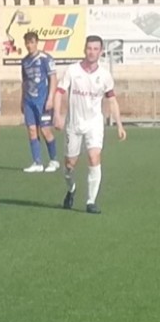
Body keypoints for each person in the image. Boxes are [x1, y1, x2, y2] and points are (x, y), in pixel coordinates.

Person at [53, 34, 126, 214]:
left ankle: (91, 201)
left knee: (94, 158)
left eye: (95, 49)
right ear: (84, 49)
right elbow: (59, 92)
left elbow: (112, 100)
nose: (92, 52)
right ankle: (71, 189)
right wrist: (57, 115)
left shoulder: (105, 76)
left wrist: (119, 125)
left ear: (100, 52)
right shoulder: (73, 70)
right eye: (89, 48)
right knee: (70, 164)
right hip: (74, 124)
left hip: (94, 123)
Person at [19, 31, 59, 172]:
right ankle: (37, 162)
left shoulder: (45, 59)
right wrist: (22, 100)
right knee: (31, 130)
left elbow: (53, 78)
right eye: (27, 43)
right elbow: (24, 81)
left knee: (45, 130)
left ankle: (54, 160)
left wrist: (50, 98)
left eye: (32, 42)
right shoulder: (24, 61)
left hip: (42, 101)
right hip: (29, 100)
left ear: (37, 42)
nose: (29, 45)